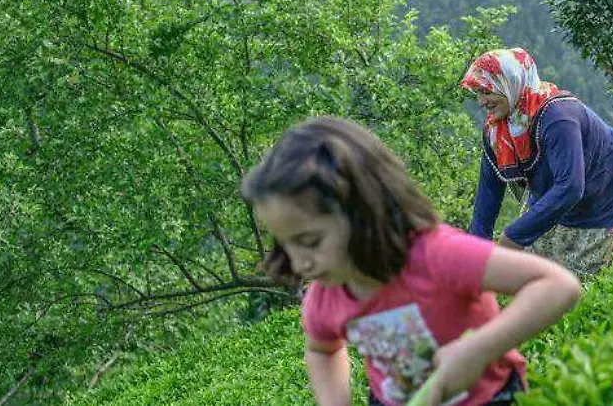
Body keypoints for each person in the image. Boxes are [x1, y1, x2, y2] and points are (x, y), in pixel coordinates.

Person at [241, 116, 581, 406]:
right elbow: (322, 351)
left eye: (311, 242)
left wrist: (476, 351)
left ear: (362, 211)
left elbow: (556, 285)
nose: (300, 264)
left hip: (488, 396)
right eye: (287, 247)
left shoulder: (435, 254)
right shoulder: (326, 296)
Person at [461, 48, 613, 277]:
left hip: (608, 183)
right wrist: (475, 255)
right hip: (561, 185)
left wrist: (513, 236)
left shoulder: (558, 117)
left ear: (510, 83)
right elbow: (488, 193)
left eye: (487, 91)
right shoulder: (497, 131)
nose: (481, 101)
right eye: (477, 93)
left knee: (591, 279)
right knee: (534, 270)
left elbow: (570, 187)